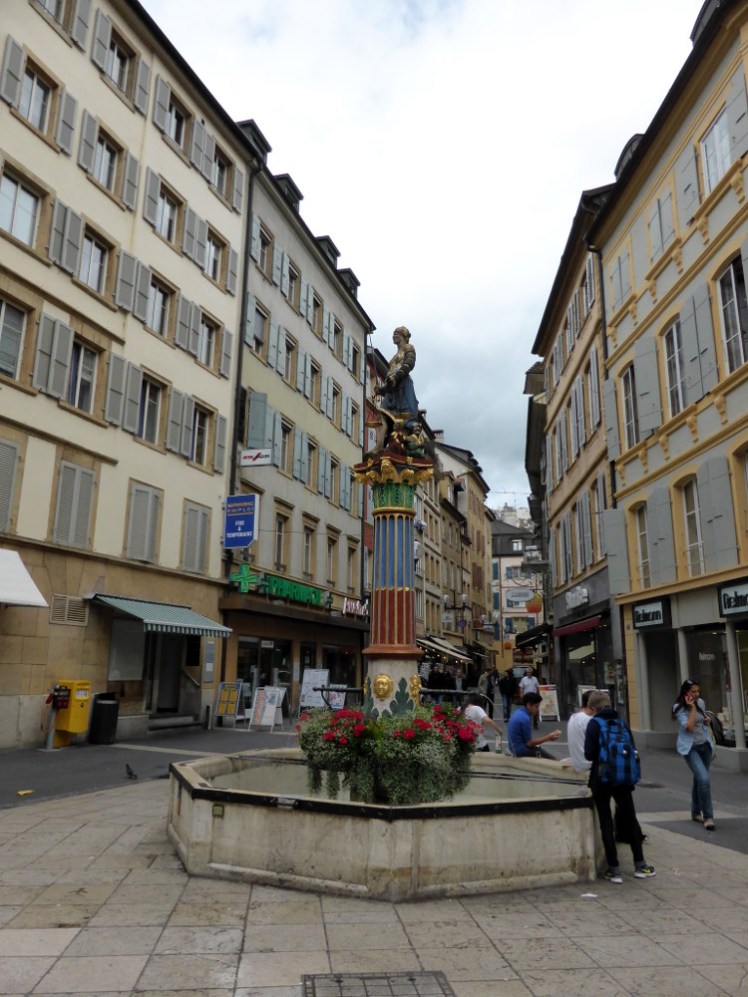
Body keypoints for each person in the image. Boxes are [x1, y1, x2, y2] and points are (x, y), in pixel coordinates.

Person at [584, 690, 655, 883]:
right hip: (623, 779)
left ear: (592, 708)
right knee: (630, 819)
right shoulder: (622, 722)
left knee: (606, 821)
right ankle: (640, 865)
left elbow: (589, 755)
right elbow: (631, 748)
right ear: (609, 703)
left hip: (601, 779)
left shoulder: (594, 724)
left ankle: (613, 869)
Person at [672, 679, 715, 831]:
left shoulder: (701, 703)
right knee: (704, 779)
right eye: (693, 692)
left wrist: (706, 720)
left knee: (699, 780)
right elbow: (689, 727)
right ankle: (708, 816)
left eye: (698, 691)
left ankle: (695, 812)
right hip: (690, 748)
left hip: (705, 746)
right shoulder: (678, 708)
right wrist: (691, 709)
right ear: (686, 693)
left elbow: (701, 721)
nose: (697, 694)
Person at [375, 327, 419, 425]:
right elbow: (391, 381)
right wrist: (381, 390)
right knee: (382, 415)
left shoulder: (408, 347)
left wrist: (397, 376)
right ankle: (382, 440)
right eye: (393, 334)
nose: (394, 336)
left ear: (404, 336)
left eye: (397, 334)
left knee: (404, 418)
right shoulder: (396, 355)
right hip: (392, 389)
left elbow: (409, 363)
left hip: (403, 385)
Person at [507, 692, 561, 758]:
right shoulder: (525, 718)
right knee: (552, 759)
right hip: (520, 751)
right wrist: (548, 737)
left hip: (513, 748)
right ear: (528, 705)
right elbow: (529, 743)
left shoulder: (518, 712)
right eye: (536, 707)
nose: (538, 710)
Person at [566, 689, 594, 772]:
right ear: (590, 703)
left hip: (578, 763)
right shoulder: (587, 720)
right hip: (588, 763)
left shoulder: (573, 717)